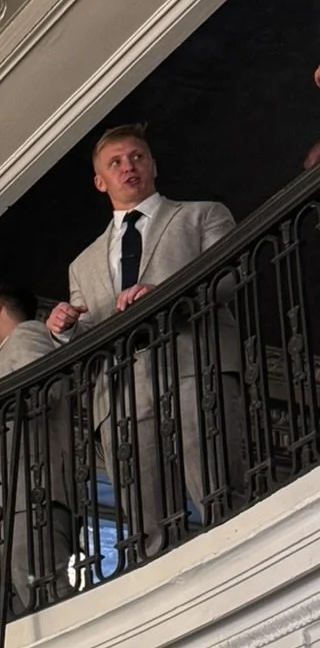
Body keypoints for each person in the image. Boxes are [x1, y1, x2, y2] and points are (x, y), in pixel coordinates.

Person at [45, 124, 240, 556]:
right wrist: (65, 328)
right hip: (120, 398)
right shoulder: (83, 264)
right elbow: (86, 337)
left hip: (196, 368)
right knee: (150, 529)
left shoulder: (201, 214)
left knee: (221, 496)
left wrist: (167, 296)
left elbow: (228, 277)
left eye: (136, 156)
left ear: (152, 164)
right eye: (115, 162)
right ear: (100, 181)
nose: (127, 167)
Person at [0, 288, 75, 607]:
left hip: (30, 495)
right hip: (9, 501)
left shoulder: (28, 335)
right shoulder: (3, 356)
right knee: (22, 605)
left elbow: (43, 391)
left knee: (44, 593)